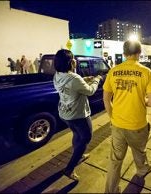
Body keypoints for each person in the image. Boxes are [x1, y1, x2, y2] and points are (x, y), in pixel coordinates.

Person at [103, 40, 151, 193]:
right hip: (138, 124)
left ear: (124, 53)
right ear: (139, 53)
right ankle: (142, 170)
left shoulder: (113, 71)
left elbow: (106, 99)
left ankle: (111, 190)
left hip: (117, 125)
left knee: (115, 161)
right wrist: (142, 100)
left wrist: (112, 117)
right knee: (139, 151)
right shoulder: (146, 72)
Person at [53, 49, 103, 181]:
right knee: (86, 138)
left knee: (76, 134)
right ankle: (69, 169)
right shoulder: (74, 78)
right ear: (70, 62)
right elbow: (90, 91)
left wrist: (85, 79)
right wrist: (97, 79)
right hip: (78, 115)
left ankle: (79, 155)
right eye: (73, 59)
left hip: (65, 113)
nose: (75, 61)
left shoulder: (57, 75)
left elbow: (71, 84)